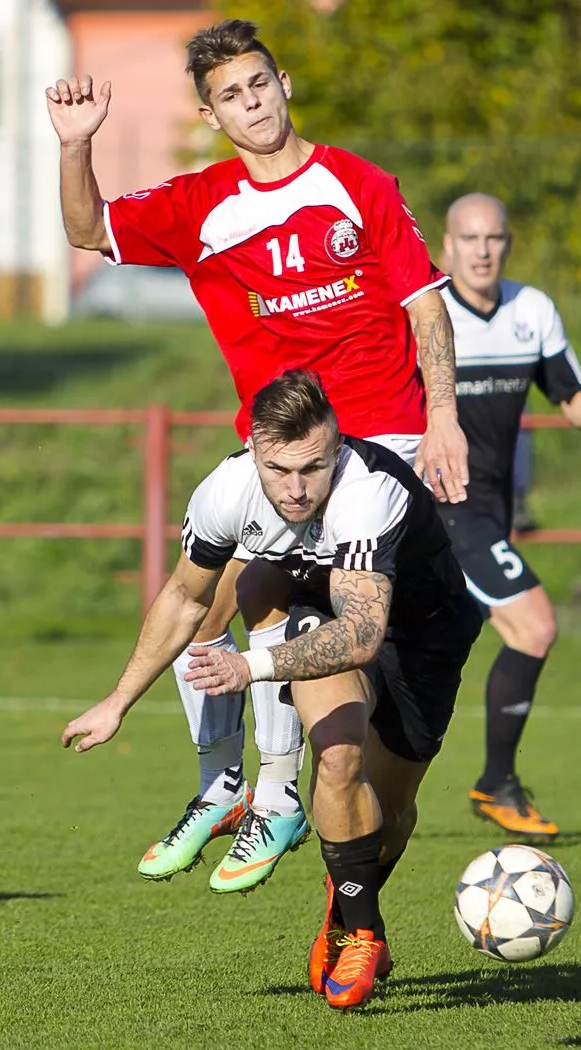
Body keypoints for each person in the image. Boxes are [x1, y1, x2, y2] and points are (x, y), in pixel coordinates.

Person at [45, 19, 469, 893]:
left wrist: (443, 417)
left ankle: (277, 795)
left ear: (285, 84)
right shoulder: (200, 205)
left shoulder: (358, 184)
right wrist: (76, 146)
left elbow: (427, 306)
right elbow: (88, 232)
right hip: (279, 456)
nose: (252, 104)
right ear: (212, 115)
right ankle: (227, 788)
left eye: (260, 84)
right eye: (231, 96)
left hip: (380, 442)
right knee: (206, 601)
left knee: (263, 593)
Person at [61, 371, 482, 1009]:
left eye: (313, 467)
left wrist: (251, 668)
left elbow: (362, 633)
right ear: (253, 449)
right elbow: (184, 599)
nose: (296, 488)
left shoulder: (368, 492)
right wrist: (118, 700)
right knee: (338, 758)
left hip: (424, 635)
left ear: (337, 446)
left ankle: (344, 900)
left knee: (392, 814)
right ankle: (361, 929)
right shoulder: (226, 490)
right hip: (320, 615)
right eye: (278, 469)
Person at [438, 192, 581, 838]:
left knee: (415, 656)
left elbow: (569, 395)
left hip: (489, 510)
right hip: (442, 508)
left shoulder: (531, 311)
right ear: (447, 247)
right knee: (533, 626)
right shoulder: (426, 314)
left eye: (493, 237)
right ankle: (496, 782)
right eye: (469, 238)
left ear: (508, 244)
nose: (482, 250)